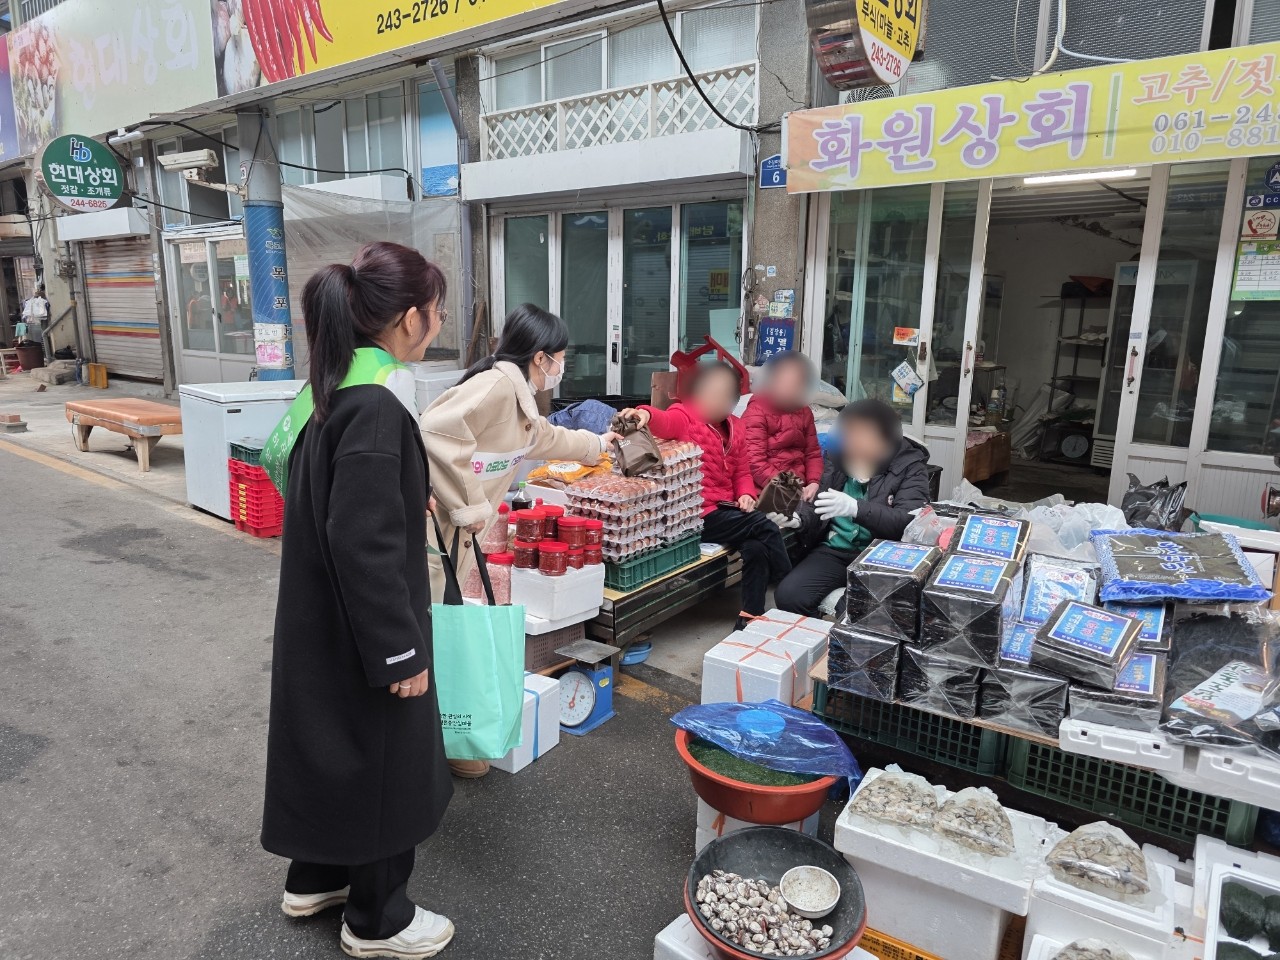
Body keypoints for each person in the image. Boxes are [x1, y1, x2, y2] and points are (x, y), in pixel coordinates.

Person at [261, 242, 455, 960]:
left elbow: (336, 504)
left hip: (319, 619)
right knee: (381, 763)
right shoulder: (376, 405)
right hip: (367, 629)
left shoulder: (330, 390)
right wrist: (400, 652)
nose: (438, 323)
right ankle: (378, 919)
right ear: (409, 319)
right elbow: (363, 543)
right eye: (435, 311)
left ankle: (315, 877)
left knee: (328, 748)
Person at [421, 303, 619, 778]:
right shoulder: (494, 387)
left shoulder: (519, 399)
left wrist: (597, 445)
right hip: (435, 534)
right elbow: (433, 432)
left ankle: (448, 735)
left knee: (442, 632)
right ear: (540, 357)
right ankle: (428, 746)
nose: (563, 366)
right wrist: (472, 507)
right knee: (429, 634)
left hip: (458, 536)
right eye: (561, 357)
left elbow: (544, 439)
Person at [623, 362, 791, 628]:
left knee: (757, 547)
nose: (715, 400)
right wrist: (644, 413)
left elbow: (742, 472)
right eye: (711, 393)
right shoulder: (685, 417)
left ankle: (750, 617)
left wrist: (746, 494)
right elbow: (664, 421)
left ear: (733, 401)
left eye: (724, 396)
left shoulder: (736, 427)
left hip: (727, 511)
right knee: (764, 525)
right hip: (697, 515)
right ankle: (788, 587)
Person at [774, 399, 931, 617]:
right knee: (789, 596)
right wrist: (798, 519)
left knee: (859, 610)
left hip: (880, 554)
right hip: (835, 549)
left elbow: (908, 522)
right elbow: (820, 501)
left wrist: (856, 508)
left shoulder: (910, 465)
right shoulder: (838, 457)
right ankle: (819, 634)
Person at [741, 351, 823, 502]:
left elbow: (812, 453)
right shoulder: (756, 412)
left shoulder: (804, 412)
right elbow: (754, 462)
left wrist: (813, 482)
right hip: (766, 488)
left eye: (796, 384)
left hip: (800, 487)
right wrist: (789, 487)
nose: (789, 389)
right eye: (785, 383)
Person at [19, 284, 48, 353]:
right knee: (37, 342)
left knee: (35, 342)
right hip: (35, 324)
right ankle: (40, 352)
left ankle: (39, 352)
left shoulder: (31, 302)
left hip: (33, 324)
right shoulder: (34, 302)